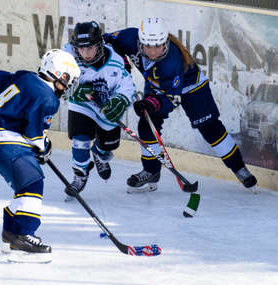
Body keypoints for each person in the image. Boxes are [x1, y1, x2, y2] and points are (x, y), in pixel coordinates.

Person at [104, 17, 257, 192]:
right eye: (148, 46)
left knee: (210, 128)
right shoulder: (130, 37)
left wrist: (151, 103)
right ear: (140, 42)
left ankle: (239, 167)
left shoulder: (171, 61)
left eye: (158, 46)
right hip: (157, 85)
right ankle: (151, 171)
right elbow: (105, 41)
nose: (153, 52)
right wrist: (120, 60)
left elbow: (171, 99)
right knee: (147, 125)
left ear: (165, 42)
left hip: (192, 87)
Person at [0, 49, 80, 262]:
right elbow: (34, 137)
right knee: (33, 184)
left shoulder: (25, 76)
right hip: (3, 137)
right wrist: (44, 148)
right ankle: (23, 236)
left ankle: (11, 233)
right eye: (69, 80)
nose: (69, 86)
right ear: (60, 74)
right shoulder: (47, 97)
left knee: (24, 187)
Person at [62, 21, 137, 198]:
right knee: (79, 140)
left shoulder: (115, 60)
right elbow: (53, 78)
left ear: (99, 45)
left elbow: (127, 86)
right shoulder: (66, 57)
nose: (85, 53)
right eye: (81, 48)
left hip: (106, 108)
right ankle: (80, 175)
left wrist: (119, 101)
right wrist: (71, 89)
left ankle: (99, 153)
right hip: (82, 106)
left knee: (108, 146)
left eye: (90, 48)